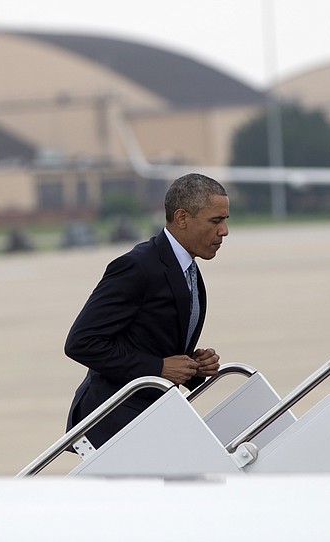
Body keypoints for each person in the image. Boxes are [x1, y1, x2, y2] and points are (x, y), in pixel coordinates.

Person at [64, 172, 230, 448]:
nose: (224, 231)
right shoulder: (137, 267)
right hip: (114, 420)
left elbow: (149, 340)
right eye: (216, 221)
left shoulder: (188, 268)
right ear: (182, 218)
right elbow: (81, 343)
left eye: (225, 221)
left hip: (151, 416)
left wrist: (193, 366)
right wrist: (159, 367)